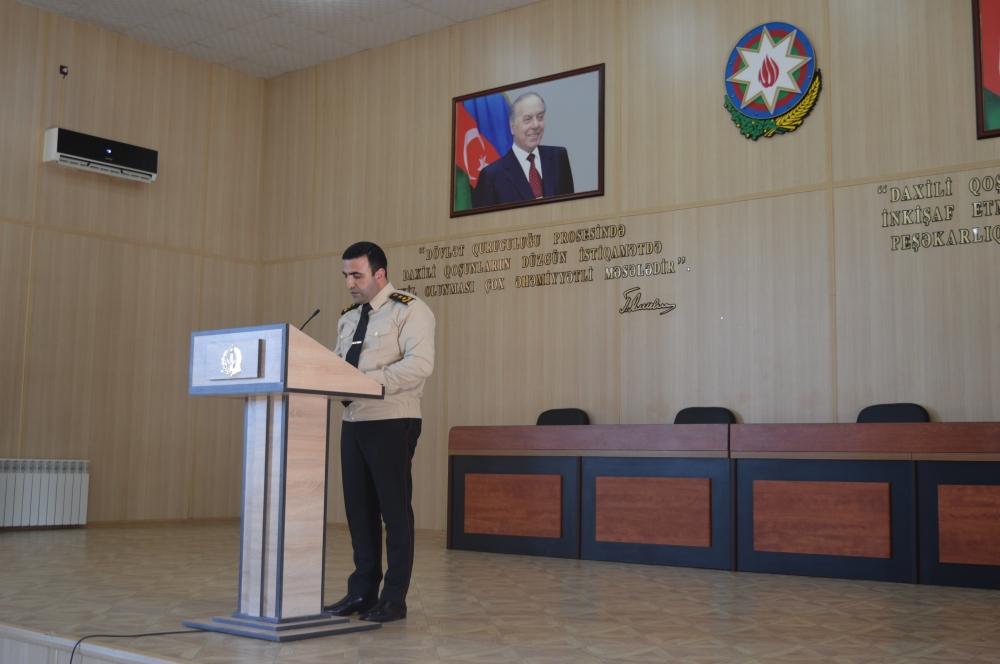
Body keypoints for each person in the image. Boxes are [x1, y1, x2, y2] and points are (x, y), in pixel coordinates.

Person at [323, 241, 435, 623]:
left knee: (394, 511)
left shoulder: (411, 310)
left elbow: (420, 365)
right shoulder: (348, 318)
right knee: (359, 510)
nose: (349, 284)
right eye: (346, 276)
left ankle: (393, 599)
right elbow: (338, 365)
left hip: (392, 419)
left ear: (380, 274)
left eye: (357, 275)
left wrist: (365, 382)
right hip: (354, 420)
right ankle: (362, 591)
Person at [471, 91, 574, 207]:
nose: (536, 125)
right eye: (527, 119)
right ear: (512, 127)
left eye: (540, 117)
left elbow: (569, 207)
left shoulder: (558, 157)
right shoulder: (491, 176)